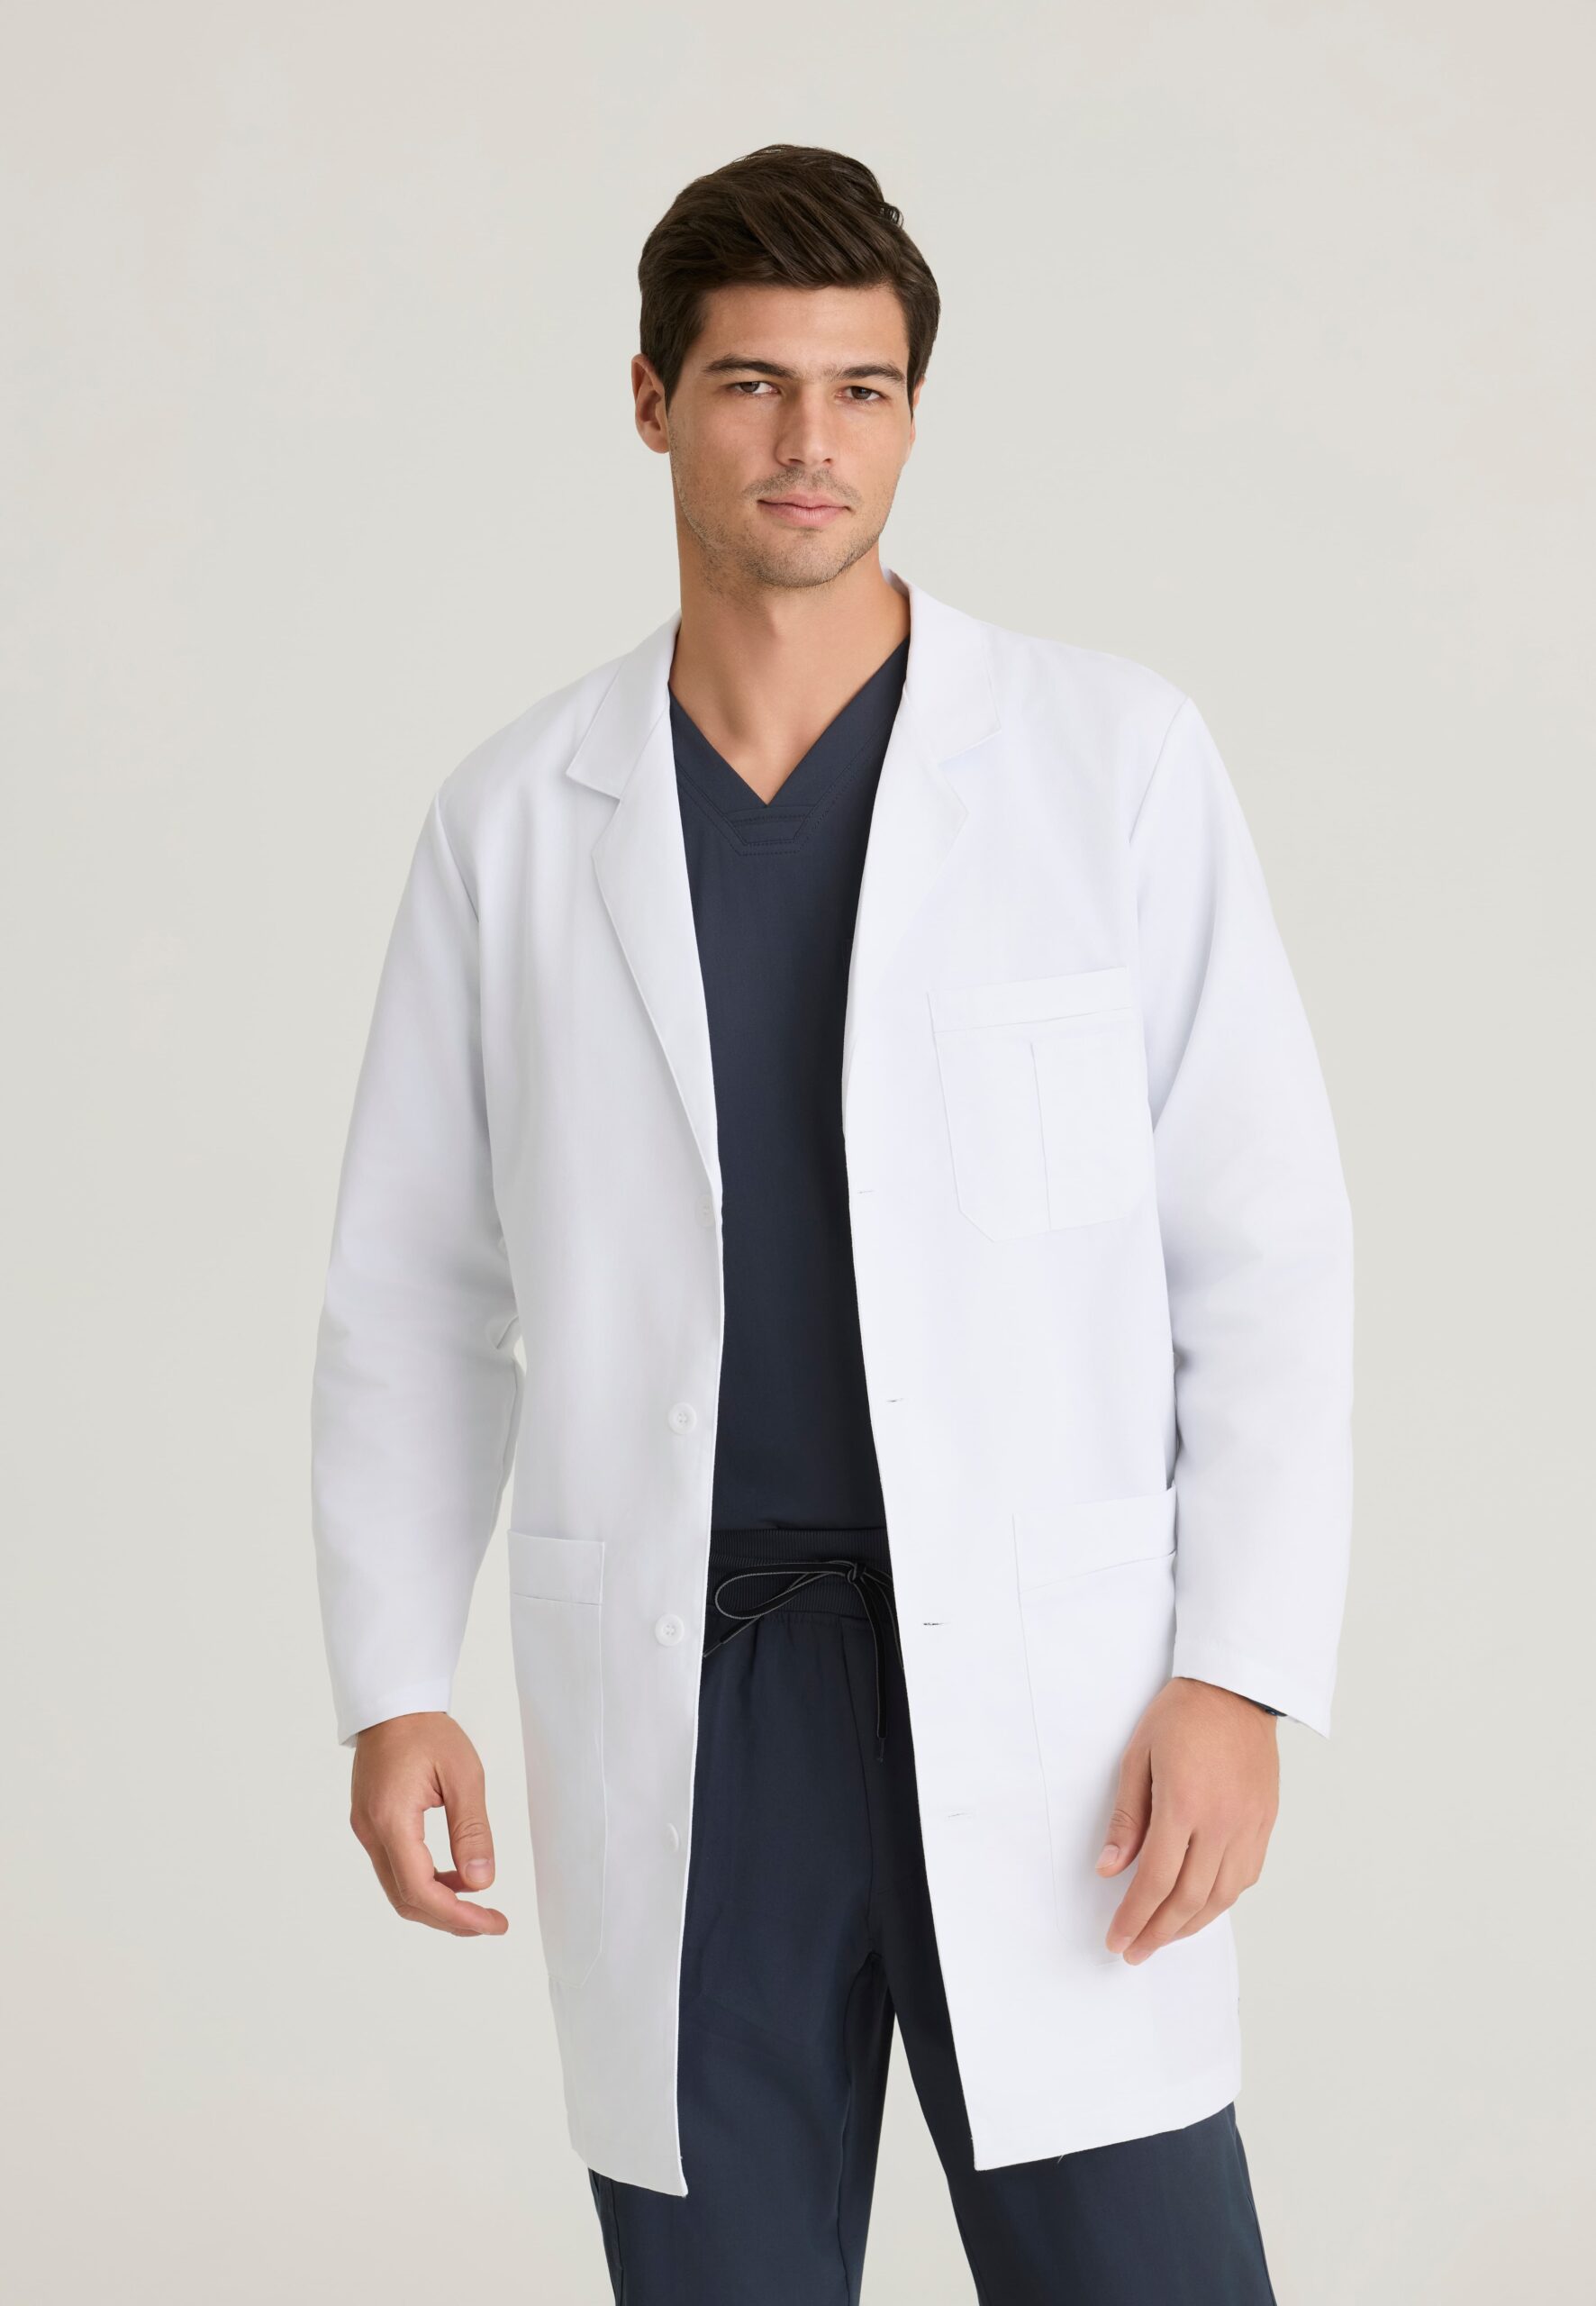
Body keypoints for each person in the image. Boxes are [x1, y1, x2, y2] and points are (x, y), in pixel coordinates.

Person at [311, 142, 1353, 2302]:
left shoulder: (1108, 762)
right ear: (649, 401)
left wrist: (1239, 1667)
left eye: (861, 388)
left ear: (910, 413)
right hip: (700, 1709)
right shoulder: (515, 823)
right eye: (752, 384)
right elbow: (413, 1290)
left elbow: (1257, 1246)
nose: (811, 440)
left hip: (1055, 1701)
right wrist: (394, 1679)